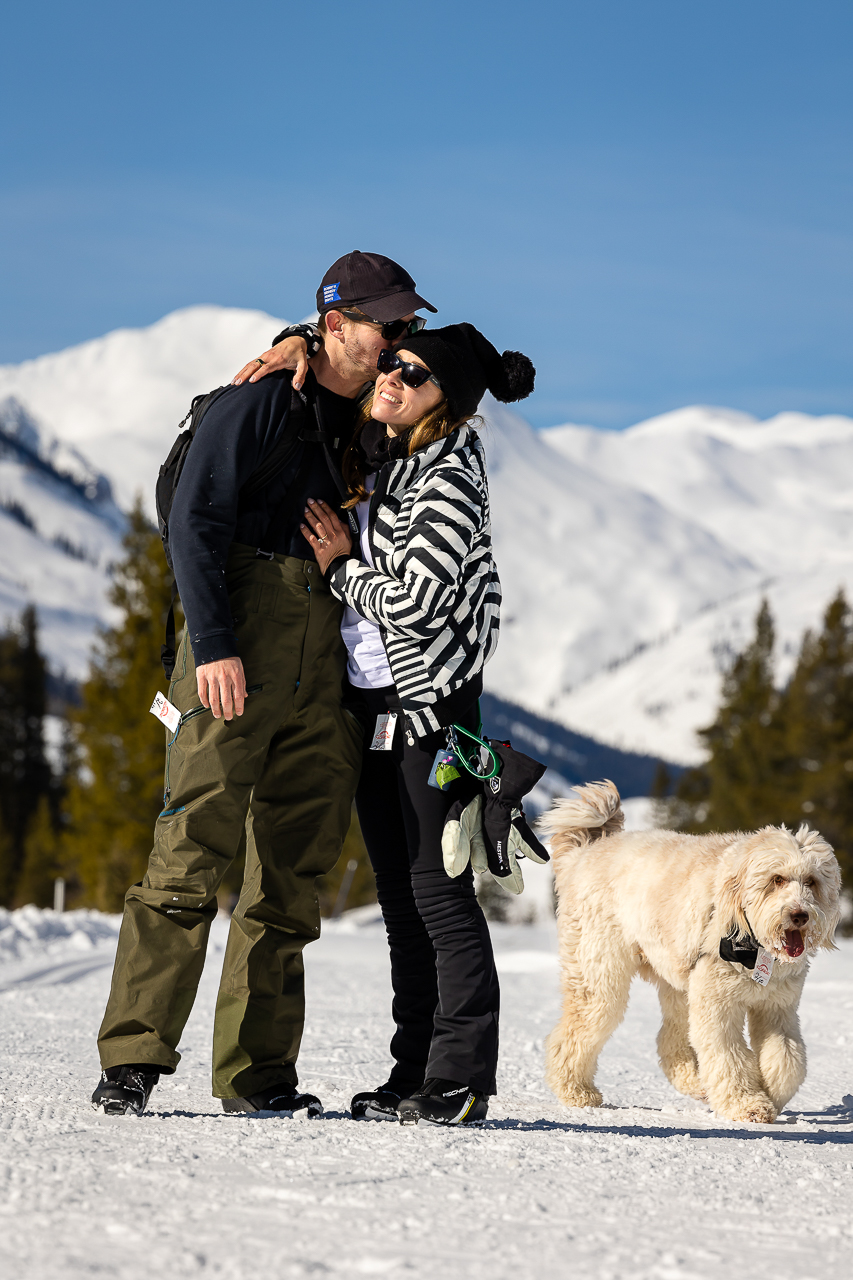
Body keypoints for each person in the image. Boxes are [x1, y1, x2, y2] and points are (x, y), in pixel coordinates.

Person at [91, 251, 437, 1117]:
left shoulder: (375, 420)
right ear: (333, 323)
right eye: (385, 326)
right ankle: (131, 1060)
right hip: (236, 645)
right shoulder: (256, 403)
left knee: (288, 878)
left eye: (408, 328)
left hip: (324, 663)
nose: (399, 342)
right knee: (190, 851)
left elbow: (461, 363)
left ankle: (257, 1079)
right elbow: (190, 522)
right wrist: (213, 645)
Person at [301, 324, 536, 1125]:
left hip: (429, 713)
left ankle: (461, 1076)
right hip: (375, 707)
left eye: (418, 376)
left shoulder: (446, 478)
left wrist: (340, 569)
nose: (394, 378)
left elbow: (417, 600)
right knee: (403, 900)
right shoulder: (394, 455)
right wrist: (292, 346)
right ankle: (414, 1072)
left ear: (449, 401)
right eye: (395, 365)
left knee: (439, 896)